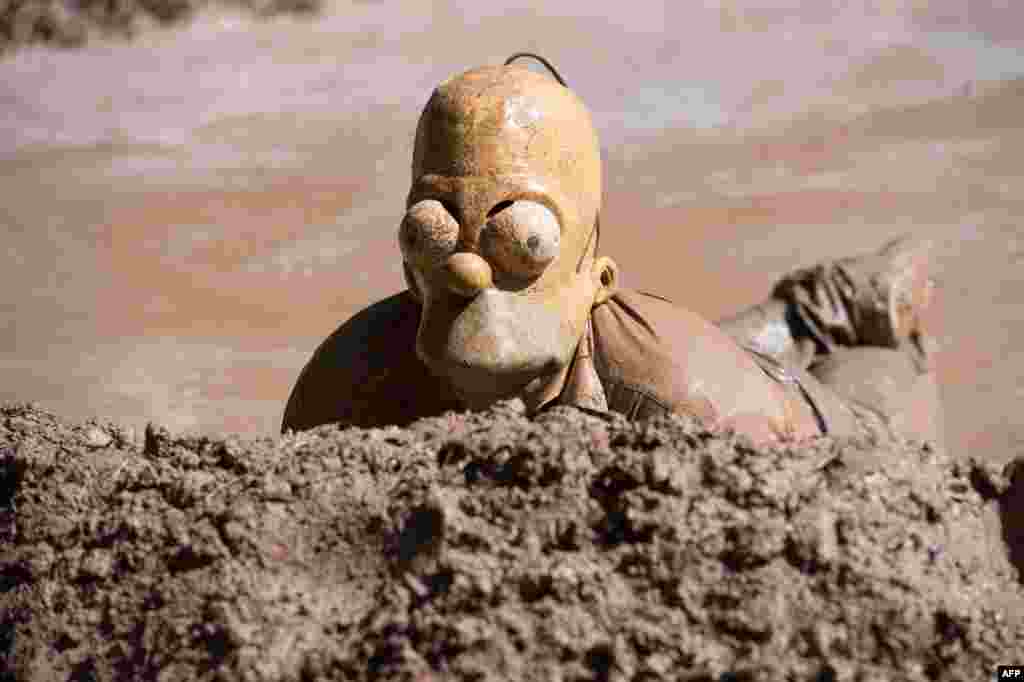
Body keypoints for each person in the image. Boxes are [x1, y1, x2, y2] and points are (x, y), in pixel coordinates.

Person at [281, 56, 943, 449]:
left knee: (884, 424)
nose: (468, 269)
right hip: (658, 355)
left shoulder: (702, 407)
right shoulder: (349, 383)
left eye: (525, 242)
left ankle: (866, 300)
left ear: (599, 278)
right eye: (435, 232)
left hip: (759, 394)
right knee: (695, 355)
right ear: (408, 267)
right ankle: (802, 312)